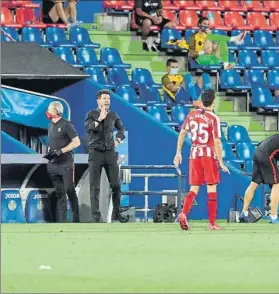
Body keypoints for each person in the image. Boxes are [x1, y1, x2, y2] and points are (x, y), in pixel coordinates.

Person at [173, 89, 230, 231]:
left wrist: (178, 153)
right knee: (211, 187)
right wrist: (221, 161)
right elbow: (217, 141)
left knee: (194, 188)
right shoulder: (214, 118)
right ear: (213, 101)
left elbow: (182, 133)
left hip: (194, 154)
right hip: (208, 154)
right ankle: (211, 223)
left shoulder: (191, 114)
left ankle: (184, 213)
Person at [84, 89, 125, 223]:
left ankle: (116, 214)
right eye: (104, 98)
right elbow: (89, 129)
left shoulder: (113, 115)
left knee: (116, 185)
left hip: (110, 153)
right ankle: (96, 217)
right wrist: (99, 119)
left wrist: (118, 140)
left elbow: (121, 129)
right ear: (98, 100)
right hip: (95, 153)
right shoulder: (91, 114)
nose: (107, 100)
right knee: (94, 186)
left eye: (108, 98)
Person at [44, 101, 81, 223]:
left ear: (56, 111)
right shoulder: (50, 125)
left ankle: (76, 219)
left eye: (49, 109)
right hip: (53, 165)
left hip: (66, 164)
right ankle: (63, 221)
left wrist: (62, 151)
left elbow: (76, 142)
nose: (47, 111)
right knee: (60, 193)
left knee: (70, 190)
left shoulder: (66, 125)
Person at [239, 134, 279, 224]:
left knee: (254, 183)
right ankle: (273, 216)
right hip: (267, 155)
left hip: (258, 152)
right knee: (277, 184)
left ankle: (244, 213)